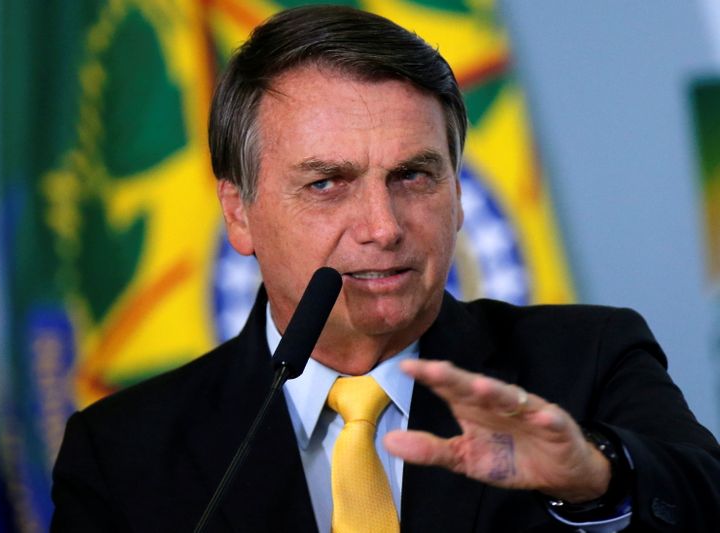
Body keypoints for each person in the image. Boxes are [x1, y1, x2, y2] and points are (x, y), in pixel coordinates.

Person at [51, 6, 720, 532]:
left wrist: (597, 479)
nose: (383, 226)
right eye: (327, 183)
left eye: (414, 175)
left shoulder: (586, 364)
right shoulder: (122, 453)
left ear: (457, 193)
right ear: (240, 213)